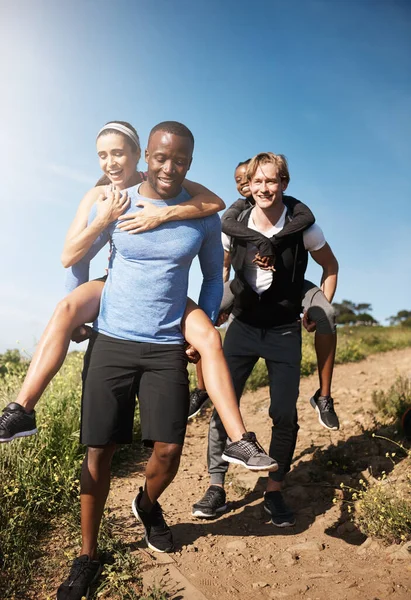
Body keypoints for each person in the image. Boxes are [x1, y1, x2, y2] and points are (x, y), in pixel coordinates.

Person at [55, 123, 276, 599]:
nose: (169, 167)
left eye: (179, 160)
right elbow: (78, 256)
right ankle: (87, 555)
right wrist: (75, 307)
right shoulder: (118, 200)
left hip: (164, 346)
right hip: (112, 340)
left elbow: (212, 279)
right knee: (100, 453)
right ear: (146, 158)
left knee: (169, 450)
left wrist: (205, 323)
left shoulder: (200, 215)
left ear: (190, 164)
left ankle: (147, 503)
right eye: (160, 158)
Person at [0, 123, 274, 475]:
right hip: (117, 283)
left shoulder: (162, 177)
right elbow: (74, 257)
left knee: (208, 336)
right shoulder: (101, 196)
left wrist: (164, 213)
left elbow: (214, 202)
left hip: (168, 292)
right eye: (103, 155)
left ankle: (239, 439)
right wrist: (82, 304)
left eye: (118, 153)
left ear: (137, 156)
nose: (111, 163)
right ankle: (22, 409)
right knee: (66, 308)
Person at [192, 152, 339, 525]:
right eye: (257, 181)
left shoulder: (305, 229)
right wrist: (220, 303)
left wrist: (316, 309)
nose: (263, 188)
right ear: (249, 185)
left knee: (283, 415)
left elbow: (331, 267)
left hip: (284, 330)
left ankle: (274, 492)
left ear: (284, 184)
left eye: (271, 181)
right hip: (242, 325)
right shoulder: (235, 224)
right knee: (223, 408)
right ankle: (216, 486)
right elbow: (221, 269)